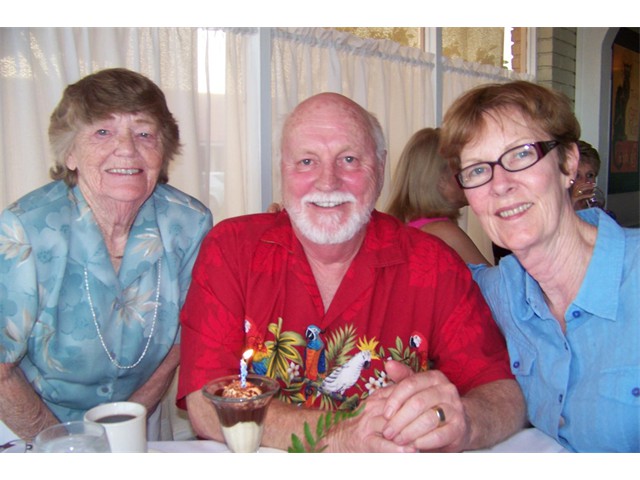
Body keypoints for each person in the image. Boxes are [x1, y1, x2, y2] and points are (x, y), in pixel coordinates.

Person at [177, 92, 526, 453]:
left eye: (349, 159)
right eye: (306, 161)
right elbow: (205, 403)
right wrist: (340, 434)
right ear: (282, 169)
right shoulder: (232, 249)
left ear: (380, 166)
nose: (328, 183)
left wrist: (465, 422)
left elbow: (503, 391)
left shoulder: (434, 264)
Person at [0, 68, 213, 442]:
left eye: (144, 133)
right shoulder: (24, 231)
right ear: (70, 153)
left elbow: (185, 335)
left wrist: (127, 420)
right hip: (29, 425)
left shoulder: (188, 223)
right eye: (103, 131)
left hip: (138, 419)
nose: (127, 149)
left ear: (163, 151)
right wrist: (62, 446)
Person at [439, 80, 639, 452]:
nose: (500, 185)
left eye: (520, 155)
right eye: (478, 170)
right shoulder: (500, 292)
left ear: (568, 164)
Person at [386, 127, 491, 265]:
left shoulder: (403, 229)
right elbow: (498, 285)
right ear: (441, 178)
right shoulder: (444, 233)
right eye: (463, 169)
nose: (470, 177)